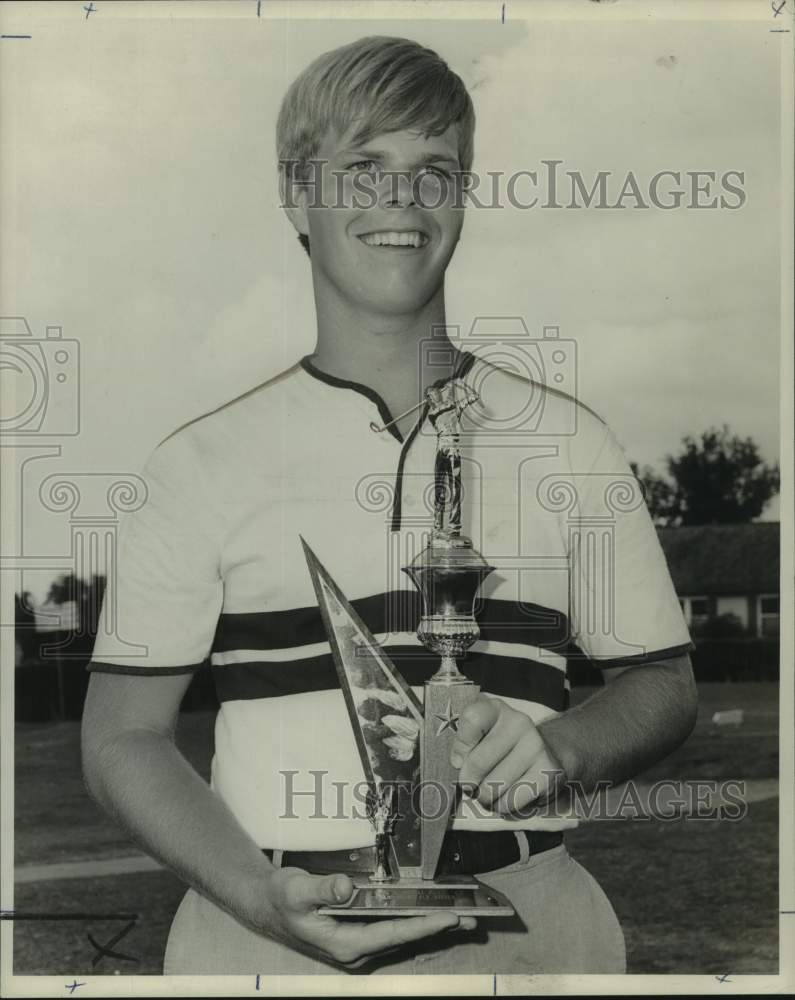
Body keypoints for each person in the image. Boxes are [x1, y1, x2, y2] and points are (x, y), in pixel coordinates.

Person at [82, 35, 697, 975]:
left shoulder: (570, 440)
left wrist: (563, 749)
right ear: (296, 194)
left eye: (432, 170)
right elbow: (121, 737)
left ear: (462, 194)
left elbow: (662, 686)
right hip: (259, 937)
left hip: (530, 932)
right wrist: (254, 896)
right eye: (361, 168)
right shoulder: (197, 463)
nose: (401, 201)